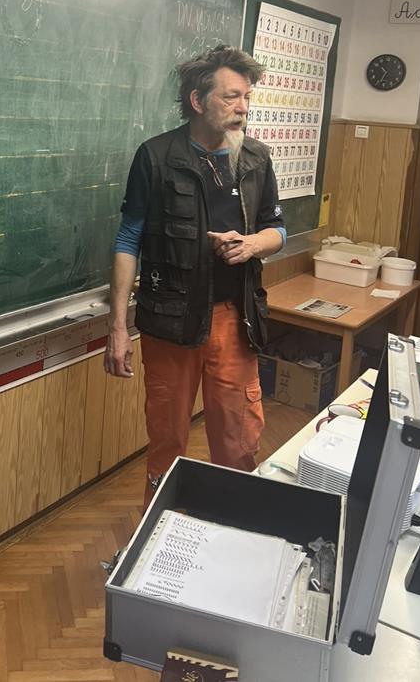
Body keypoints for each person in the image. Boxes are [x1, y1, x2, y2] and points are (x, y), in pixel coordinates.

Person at [104, 45, 286, 506]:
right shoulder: (156, 157)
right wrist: (118, 327)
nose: (243, 107)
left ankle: (233, 525)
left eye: (246, 97)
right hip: (171, 321)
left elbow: (278, 229)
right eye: (231, 96)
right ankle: (159, 531)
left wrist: (252, 244)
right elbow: (128, 239)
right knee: (166, 437)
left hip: (234, 318)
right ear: (197, 101)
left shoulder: (256, 159)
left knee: (239, 437)